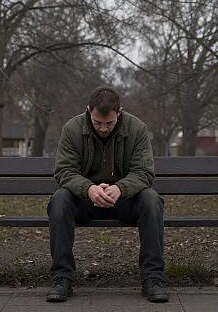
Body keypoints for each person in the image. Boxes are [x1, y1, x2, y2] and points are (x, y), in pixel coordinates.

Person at [46, 86, 168, 303]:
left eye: (109, 123)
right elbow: (64, 171)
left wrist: (120, 188)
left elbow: (144, 172)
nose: (103, 128)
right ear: (88, 111)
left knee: (151, 199)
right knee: (60, 200)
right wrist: (89, 189)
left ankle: (153, 278)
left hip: (124, 200)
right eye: (97, 123)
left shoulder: (137, 128)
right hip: (84, 200)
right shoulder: (72, 129)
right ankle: (61, 278)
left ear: (119, 113)